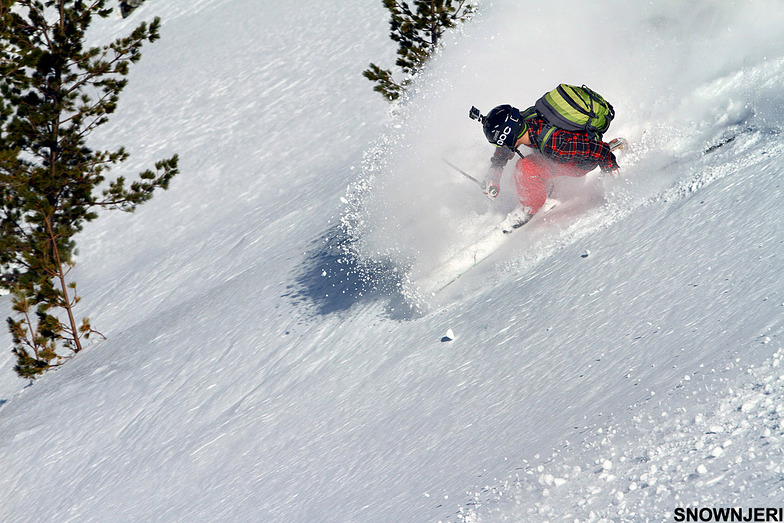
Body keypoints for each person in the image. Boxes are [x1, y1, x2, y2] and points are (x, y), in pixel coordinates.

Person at [479, 103, 620, 231]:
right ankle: (545, 185)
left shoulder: (555, 144)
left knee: (525, 168)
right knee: (518, 176)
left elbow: (600, 151)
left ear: (509, 137)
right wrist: (494, 172)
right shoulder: (525, 119)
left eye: (500, 143)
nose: (501, 146)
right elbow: (506, 145)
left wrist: (615, 182)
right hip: (568, 150)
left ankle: (530, 207)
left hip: (579, 165)